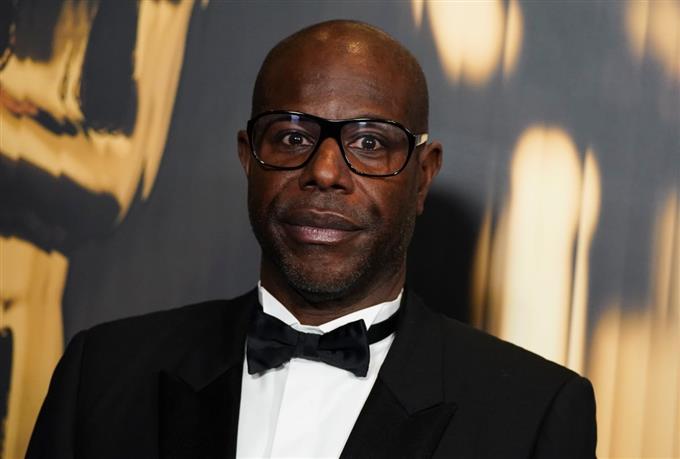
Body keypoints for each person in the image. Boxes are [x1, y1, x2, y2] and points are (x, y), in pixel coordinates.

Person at [27, 20, 596, 458]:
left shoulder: (533, 416)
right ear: (249, 158)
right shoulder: (101, 374)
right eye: (293, 137)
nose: (324, 171)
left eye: (370, 143)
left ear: (423, 177)